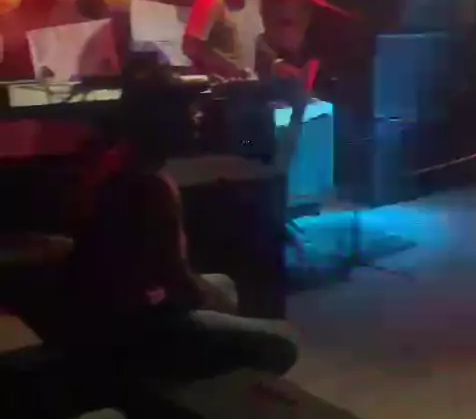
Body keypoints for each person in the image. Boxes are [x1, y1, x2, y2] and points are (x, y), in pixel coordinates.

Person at [53, 92, 297, 382]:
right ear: (164, 125)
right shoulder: (150, 188)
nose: (197, 119)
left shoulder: (117, 168)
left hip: (102, 310)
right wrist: (208, 299)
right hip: (137, 327)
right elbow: (175, 279)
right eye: (188, 114)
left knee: (225, 285)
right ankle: (194, 390)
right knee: (285, 340)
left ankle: (216, 376)